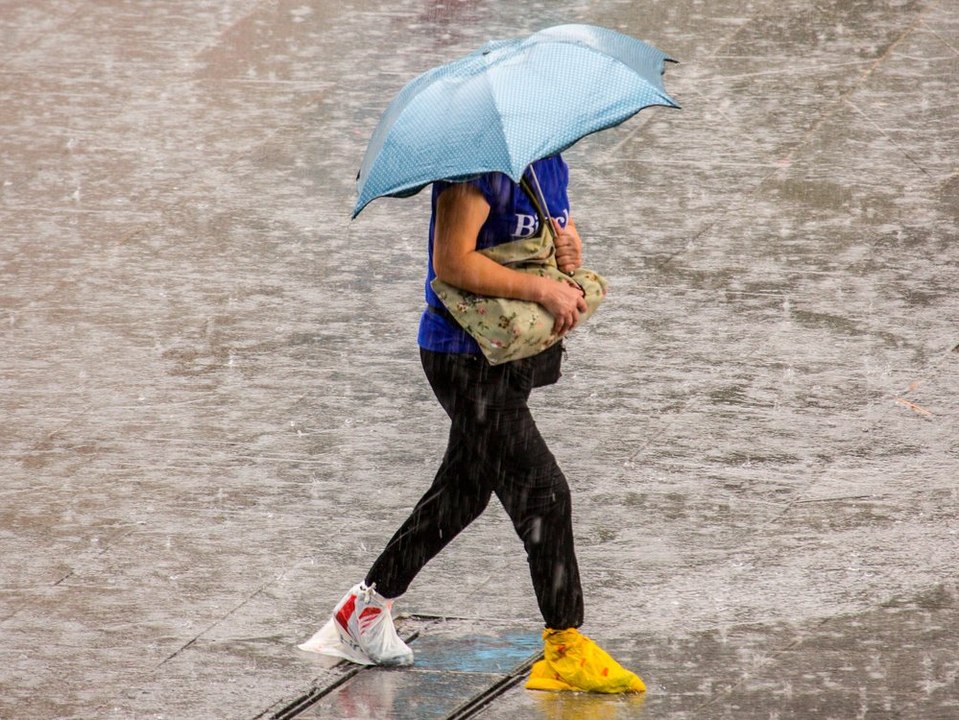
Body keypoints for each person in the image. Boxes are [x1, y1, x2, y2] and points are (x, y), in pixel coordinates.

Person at [299, 154, 645, 694]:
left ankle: (361, 614)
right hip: (464, 358)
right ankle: (565, 646)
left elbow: (549, 240)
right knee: (543, 493)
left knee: (463, 490)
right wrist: (544, 291)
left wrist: (569, 254)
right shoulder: (474, 170)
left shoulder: (547, 162)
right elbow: (452, 264)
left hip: (510, 351)